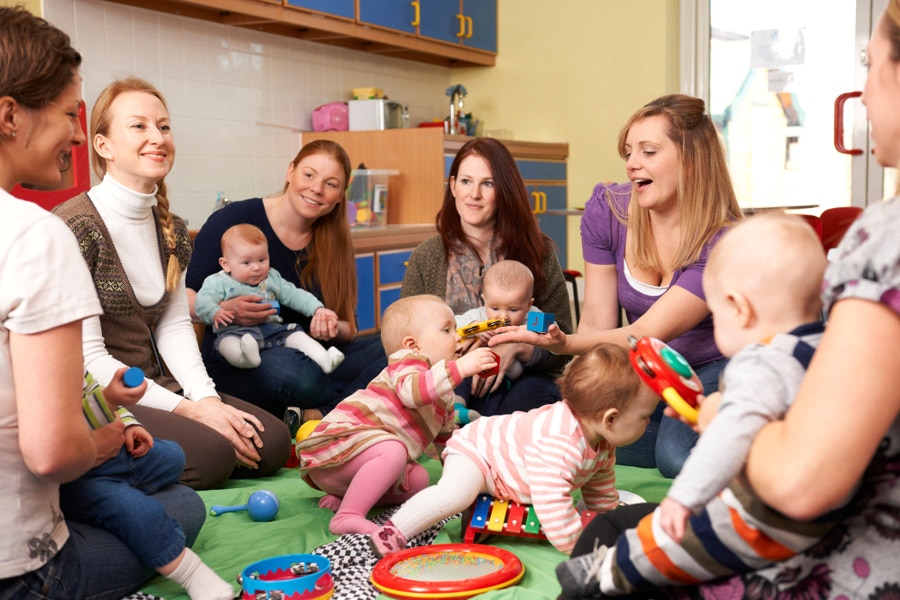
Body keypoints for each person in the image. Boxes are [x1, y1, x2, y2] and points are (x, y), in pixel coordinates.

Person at [561, 5, 900, 596]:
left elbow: (800, 483)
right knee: (600, 442)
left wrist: (722, 421)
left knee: (635, 519)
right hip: (684, 392)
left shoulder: (870, 246)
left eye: (871, 66)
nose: (862, 93)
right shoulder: (611, 208)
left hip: (832, 557)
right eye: (629, 151)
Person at [0, 7, 205, 598]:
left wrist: (199, 400)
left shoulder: (171, 228)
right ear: (10, 115)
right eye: (69, 114)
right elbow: (52, 451)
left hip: (112, 413)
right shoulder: (43, 233)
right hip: (25, 570)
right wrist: (108, 436)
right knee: (182, 509)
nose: (73, 133)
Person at [556, 212, 847, 596]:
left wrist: (681, 500)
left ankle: (603, 576)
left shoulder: (757, 363)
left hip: (763, 525)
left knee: (660, 543)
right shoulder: (831, 350)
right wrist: (711, 414)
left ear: (738, 307)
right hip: (823, 525)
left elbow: (724, 444)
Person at [53, 77, 291, 491]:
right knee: (213, 456)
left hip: (159, 384)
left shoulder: (173, 230)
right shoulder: (76, 227)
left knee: (271, 444)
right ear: (103, 145)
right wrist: (192, 412)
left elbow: (175, 326)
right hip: (103, 398)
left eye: (163, 126)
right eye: (139, 126)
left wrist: (208, 400)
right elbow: (89, 359)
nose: (157, 138)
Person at [491, 95, 743, 477]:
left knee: (673, 457)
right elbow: (597, 321)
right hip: (645, 365)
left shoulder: (721, 242)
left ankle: (744, 429)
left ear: (691, 160)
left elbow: (643, 331)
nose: (631, 164)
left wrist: (563, 343)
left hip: (712, 364)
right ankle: (655, 426)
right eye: (628, 152)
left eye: (648, 151)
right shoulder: (608, 211)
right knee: (570, 427)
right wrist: (577, 391)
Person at [368, 343, 660, 557]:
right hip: (478, 453)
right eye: (645, 416)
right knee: (455, 495)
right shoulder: (560, 445)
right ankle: (393, 531)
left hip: (505, 467)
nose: (648, 422)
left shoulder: (603, 444)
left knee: (474, 497)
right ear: (609, 418)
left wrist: (610, 524)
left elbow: (600, 493)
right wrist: (584, 545)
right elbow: (553, 511)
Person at [186, 139, 387, 428]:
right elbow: (185, 300)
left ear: (341, 195)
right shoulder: (233, 221)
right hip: (242, 355)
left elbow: (349, 330)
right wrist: (225, 309)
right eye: (309, 175)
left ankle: (317, 414)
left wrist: (328, 323)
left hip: (313, 353)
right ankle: (359, 402)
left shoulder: (335, 243)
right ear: (290, 172)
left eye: (331, 184)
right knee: (299, 374)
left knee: (398, 344)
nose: (317, 189)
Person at [296, 294, 498, 536]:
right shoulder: (406, 362)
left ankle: (349, 498)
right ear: (413, 345)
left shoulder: (443, 393)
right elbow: (412, 394)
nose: (458, 337)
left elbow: (447, 445)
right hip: (338, 447)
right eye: (447, 330)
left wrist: (462, 479)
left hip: (356, 465)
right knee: (394, 451)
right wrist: (462, 368)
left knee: (418, 480)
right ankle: (348, 516)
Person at [401, 136, 573, 417]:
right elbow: (406, 342)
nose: (474, 194)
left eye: (488, 183)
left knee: (538, 399)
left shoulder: (538, 251)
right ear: (453, 186)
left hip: (517, 381)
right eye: (466, 181)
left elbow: (563, 344)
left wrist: (518, 347)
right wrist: (456, 355)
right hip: (448, 378)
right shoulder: (427, 256)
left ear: (504, 190)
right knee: (378, 360)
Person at [61, 369, 234, 600]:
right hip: (69, 474)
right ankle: (190, 572)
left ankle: (120, 491)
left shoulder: (69, 354)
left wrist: (129, 424)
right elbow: (54, 433)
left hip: (100, 455)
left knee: (172, 456)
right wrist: (109, 401)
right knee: (131, 507)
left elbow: (91, 389)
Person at [195, 223, 344, 373]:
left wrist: (317, 309)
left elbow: (294, 295)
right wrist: (215, 311)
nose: (257, 267)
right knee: (226, 345)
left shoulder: (272, 278)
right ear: (226, 264)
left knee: (297, 335)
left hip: (273, 330)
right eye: (246, 262)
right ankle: (245, 358)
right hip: (235, 333)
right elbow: (202, 302)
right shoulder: (218, 282)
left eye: (262, 260)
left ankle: (323, 358)